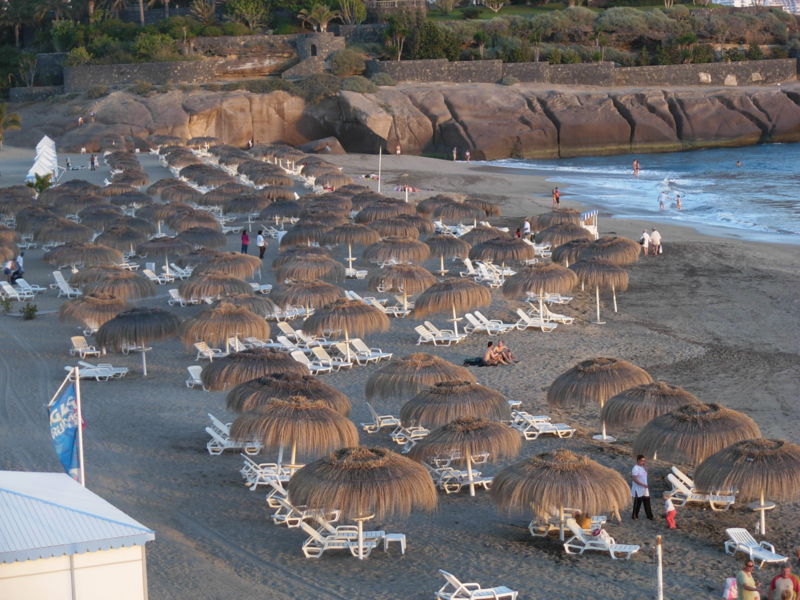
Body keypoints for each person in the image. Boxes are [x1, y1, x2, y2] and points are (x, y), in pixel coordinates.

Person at [631, 455, 653, 520]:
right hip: (638, 488)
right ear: (638, 460)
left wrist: (645, 467)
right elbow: (634, 479)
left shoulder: (643, 467)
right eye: (642, 460)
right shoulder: (635, 468)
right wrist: (642, 485)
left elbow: (645, 474)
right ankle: (634, 516)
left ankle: (649, 516)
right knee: (638, 502)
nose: (643, 462)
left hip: (645, 487)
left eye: (644, 460)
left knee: (647, 501)